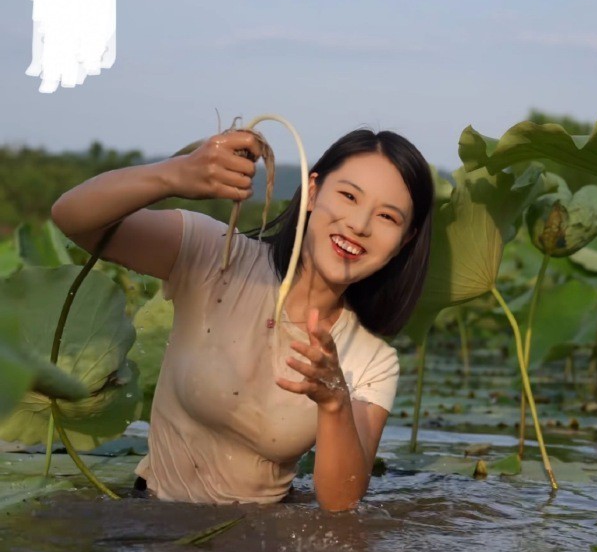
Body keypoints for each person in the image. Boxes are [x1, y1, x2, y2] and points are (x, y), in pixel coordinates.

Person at [51, 127, 433, 511]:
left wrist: (334, 401)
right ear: (313, 192)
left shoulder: (373, 361)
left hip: (265, 546)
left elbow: (341, 501)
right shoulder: (217, 256)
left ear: (405, 240)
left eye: (387, 216)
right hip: (156, 524)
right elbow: (73, 219)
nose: (360, 224)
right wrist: (174, 175)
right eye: (349, 196)